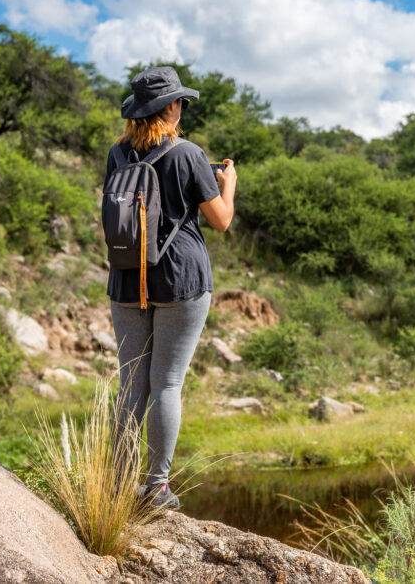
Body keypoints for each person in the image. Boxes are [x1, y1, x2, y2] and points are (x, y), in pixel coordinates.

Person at [105, 65, 237, 510]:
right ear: (172, 108)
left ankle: (118, 486)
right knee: (166, 384)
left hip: (126, 276)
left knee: (130, 386)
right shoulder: (188, 154)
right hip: (180, 277)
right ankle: (157, 488)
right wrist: (229, 186)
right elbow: (221, 221)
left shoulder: (117, 154)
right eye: (179, 102)